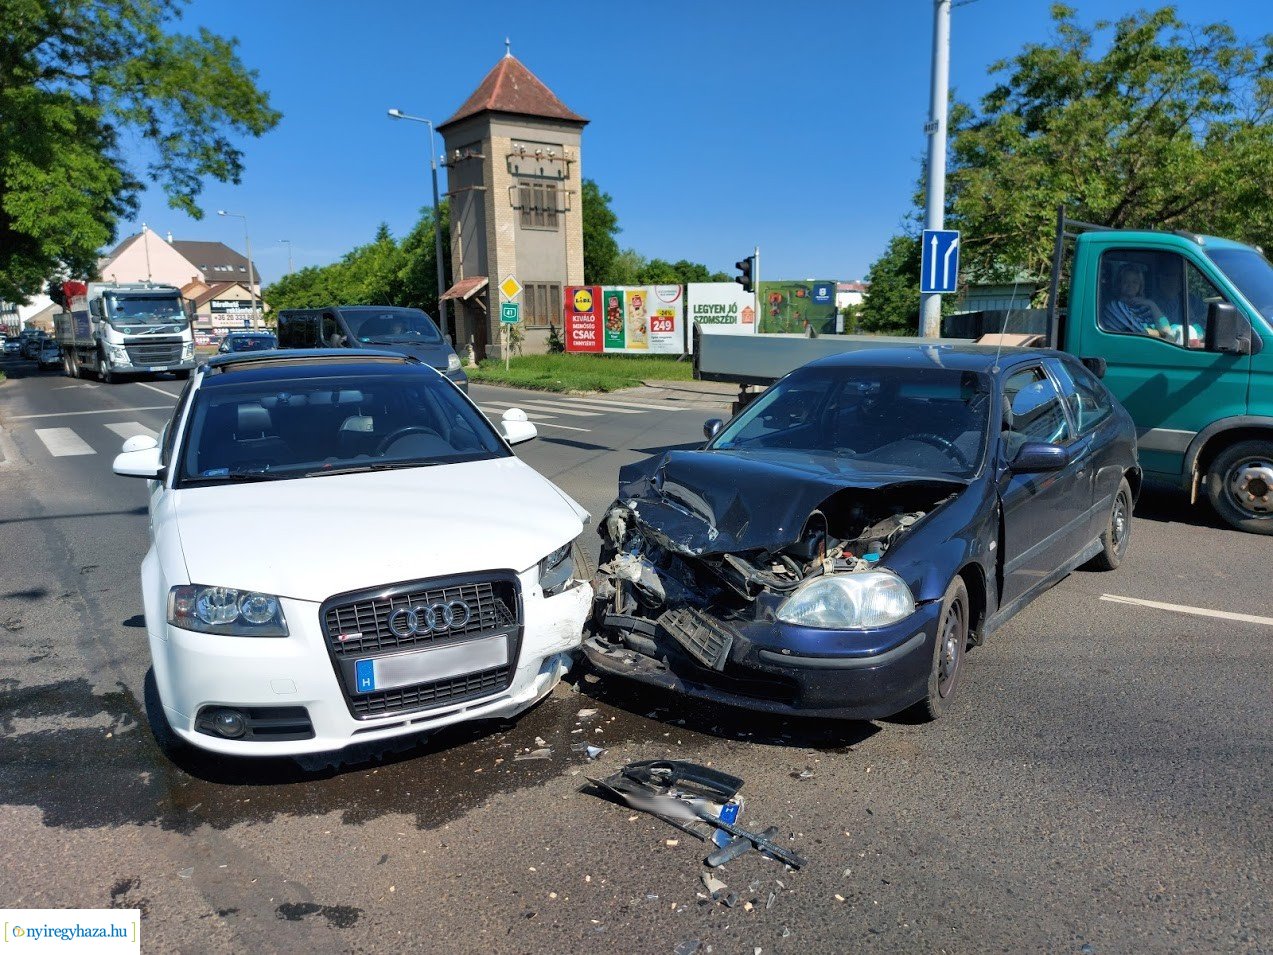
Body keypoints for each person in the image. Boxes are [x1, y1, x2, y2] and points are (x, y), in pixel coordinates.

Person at [1102, 266, 1163, 335]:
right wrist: (1160, 334)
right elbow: (1141, 333)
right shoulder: (1114, 306)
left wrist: (1152, 304)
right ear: (1119, 284)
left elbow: (1166, 329)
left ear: (1140, 285)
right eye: (1125, 281)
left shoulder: (1144, 306)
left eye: (1135, 282)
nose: (1130, 285)